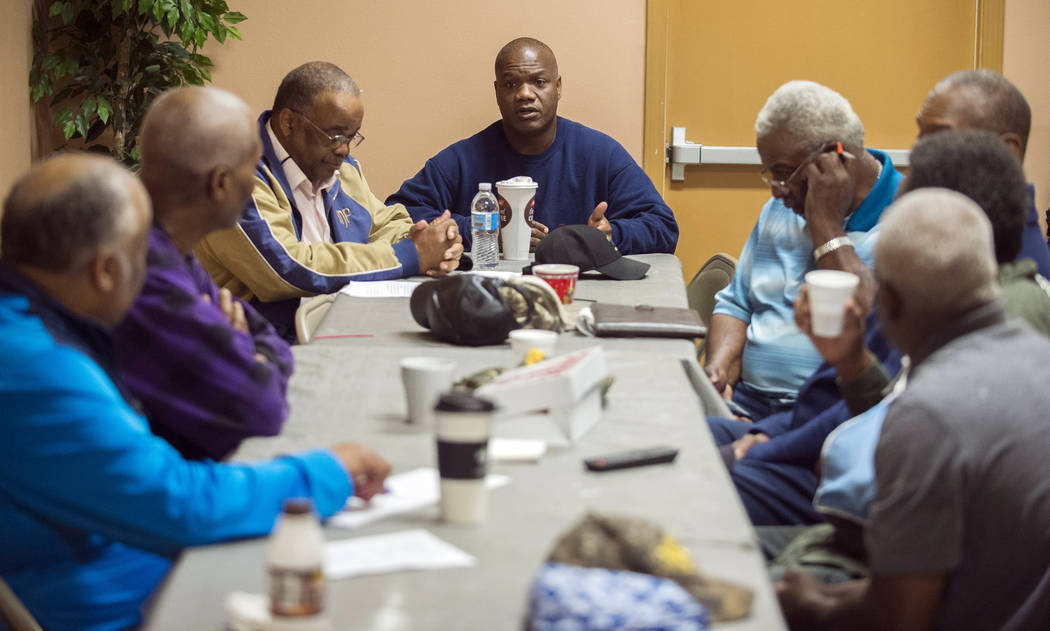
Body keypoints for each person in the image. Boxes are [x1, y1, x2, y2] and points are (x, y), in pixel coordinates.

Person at [0, 154, 390, 630]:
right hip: (115, 605)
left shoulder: (37, 322)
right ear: (105, 270)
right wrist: (327, 472)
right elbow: (179, 504)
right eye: (142, 258)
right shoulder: (38, 368)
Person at [776, 188, 1050, 631]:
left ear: (892, 303)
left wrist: (810, 604)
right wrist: (851, 361)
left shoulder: (930, 412)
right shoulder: (1036, 355)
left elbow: (897, 617)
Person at [195, 61, 463, 340]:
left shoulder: (340, 168)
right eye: (335, 136)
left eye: (351, 136)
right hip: (257, 348)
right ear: (288, 122)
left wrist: (427, 240)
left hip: (341, 327)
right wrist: (410, 254)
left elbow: (382, 223)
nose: (344, 150)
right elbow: (289, 268)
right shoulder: (234, 178)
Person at [111, 86, 293, 461]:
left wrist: (248, 347)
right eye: (254, 168)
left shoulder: (166, 246)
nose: (257, 186)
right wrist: (248, 350)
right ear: (221, 182)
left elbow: (260, 330)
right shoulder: (142, 273)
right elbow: (260, 408)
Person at [704, 80, 903, 420]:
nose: (777, 193)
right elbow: (737, 304)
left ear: (835, 159)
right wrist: (718, 372)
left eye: (783, 174)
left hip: (828, 412)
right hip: (744, 403)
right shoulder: (782, 209)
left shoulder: (907, 220)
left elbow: (873, 333)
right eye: (771, 175)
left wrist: (825, 225)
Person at [386, 37, 678, 255]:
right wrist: (484, 233)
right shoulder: (462, 159)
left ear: (558, 87)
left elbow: (663, 227)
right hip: (486, 297)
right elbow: (397, 213)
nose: (525, 94)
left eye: (539, 81)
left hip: (583, 295)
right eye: (511, 84)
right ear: (497, 91)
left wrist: (610, 235)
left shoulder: (601, 154)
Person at [916, 69, 1050, 277]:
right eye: (921, 136)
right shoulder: (956, 228)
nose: (919, 150)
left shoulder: (1018, 278)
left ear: (1007, 152)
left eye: (939, 136)